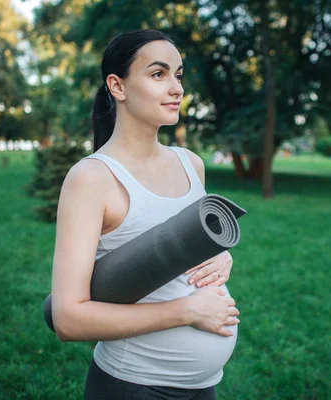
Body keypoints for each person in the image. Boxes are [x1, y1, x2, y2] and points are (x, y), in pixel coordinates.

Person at [49, 29, 240, 400]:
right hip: (134, 385)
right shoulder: (92, 178)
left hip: (204, 387)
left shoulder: (191, 164)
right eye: (158, 74)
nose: (177, 88)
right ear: (117, 86)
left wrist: (220, 258)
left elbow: (176, 249)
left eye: (179, 75)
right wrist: (186, 312)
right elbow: (68, 319)